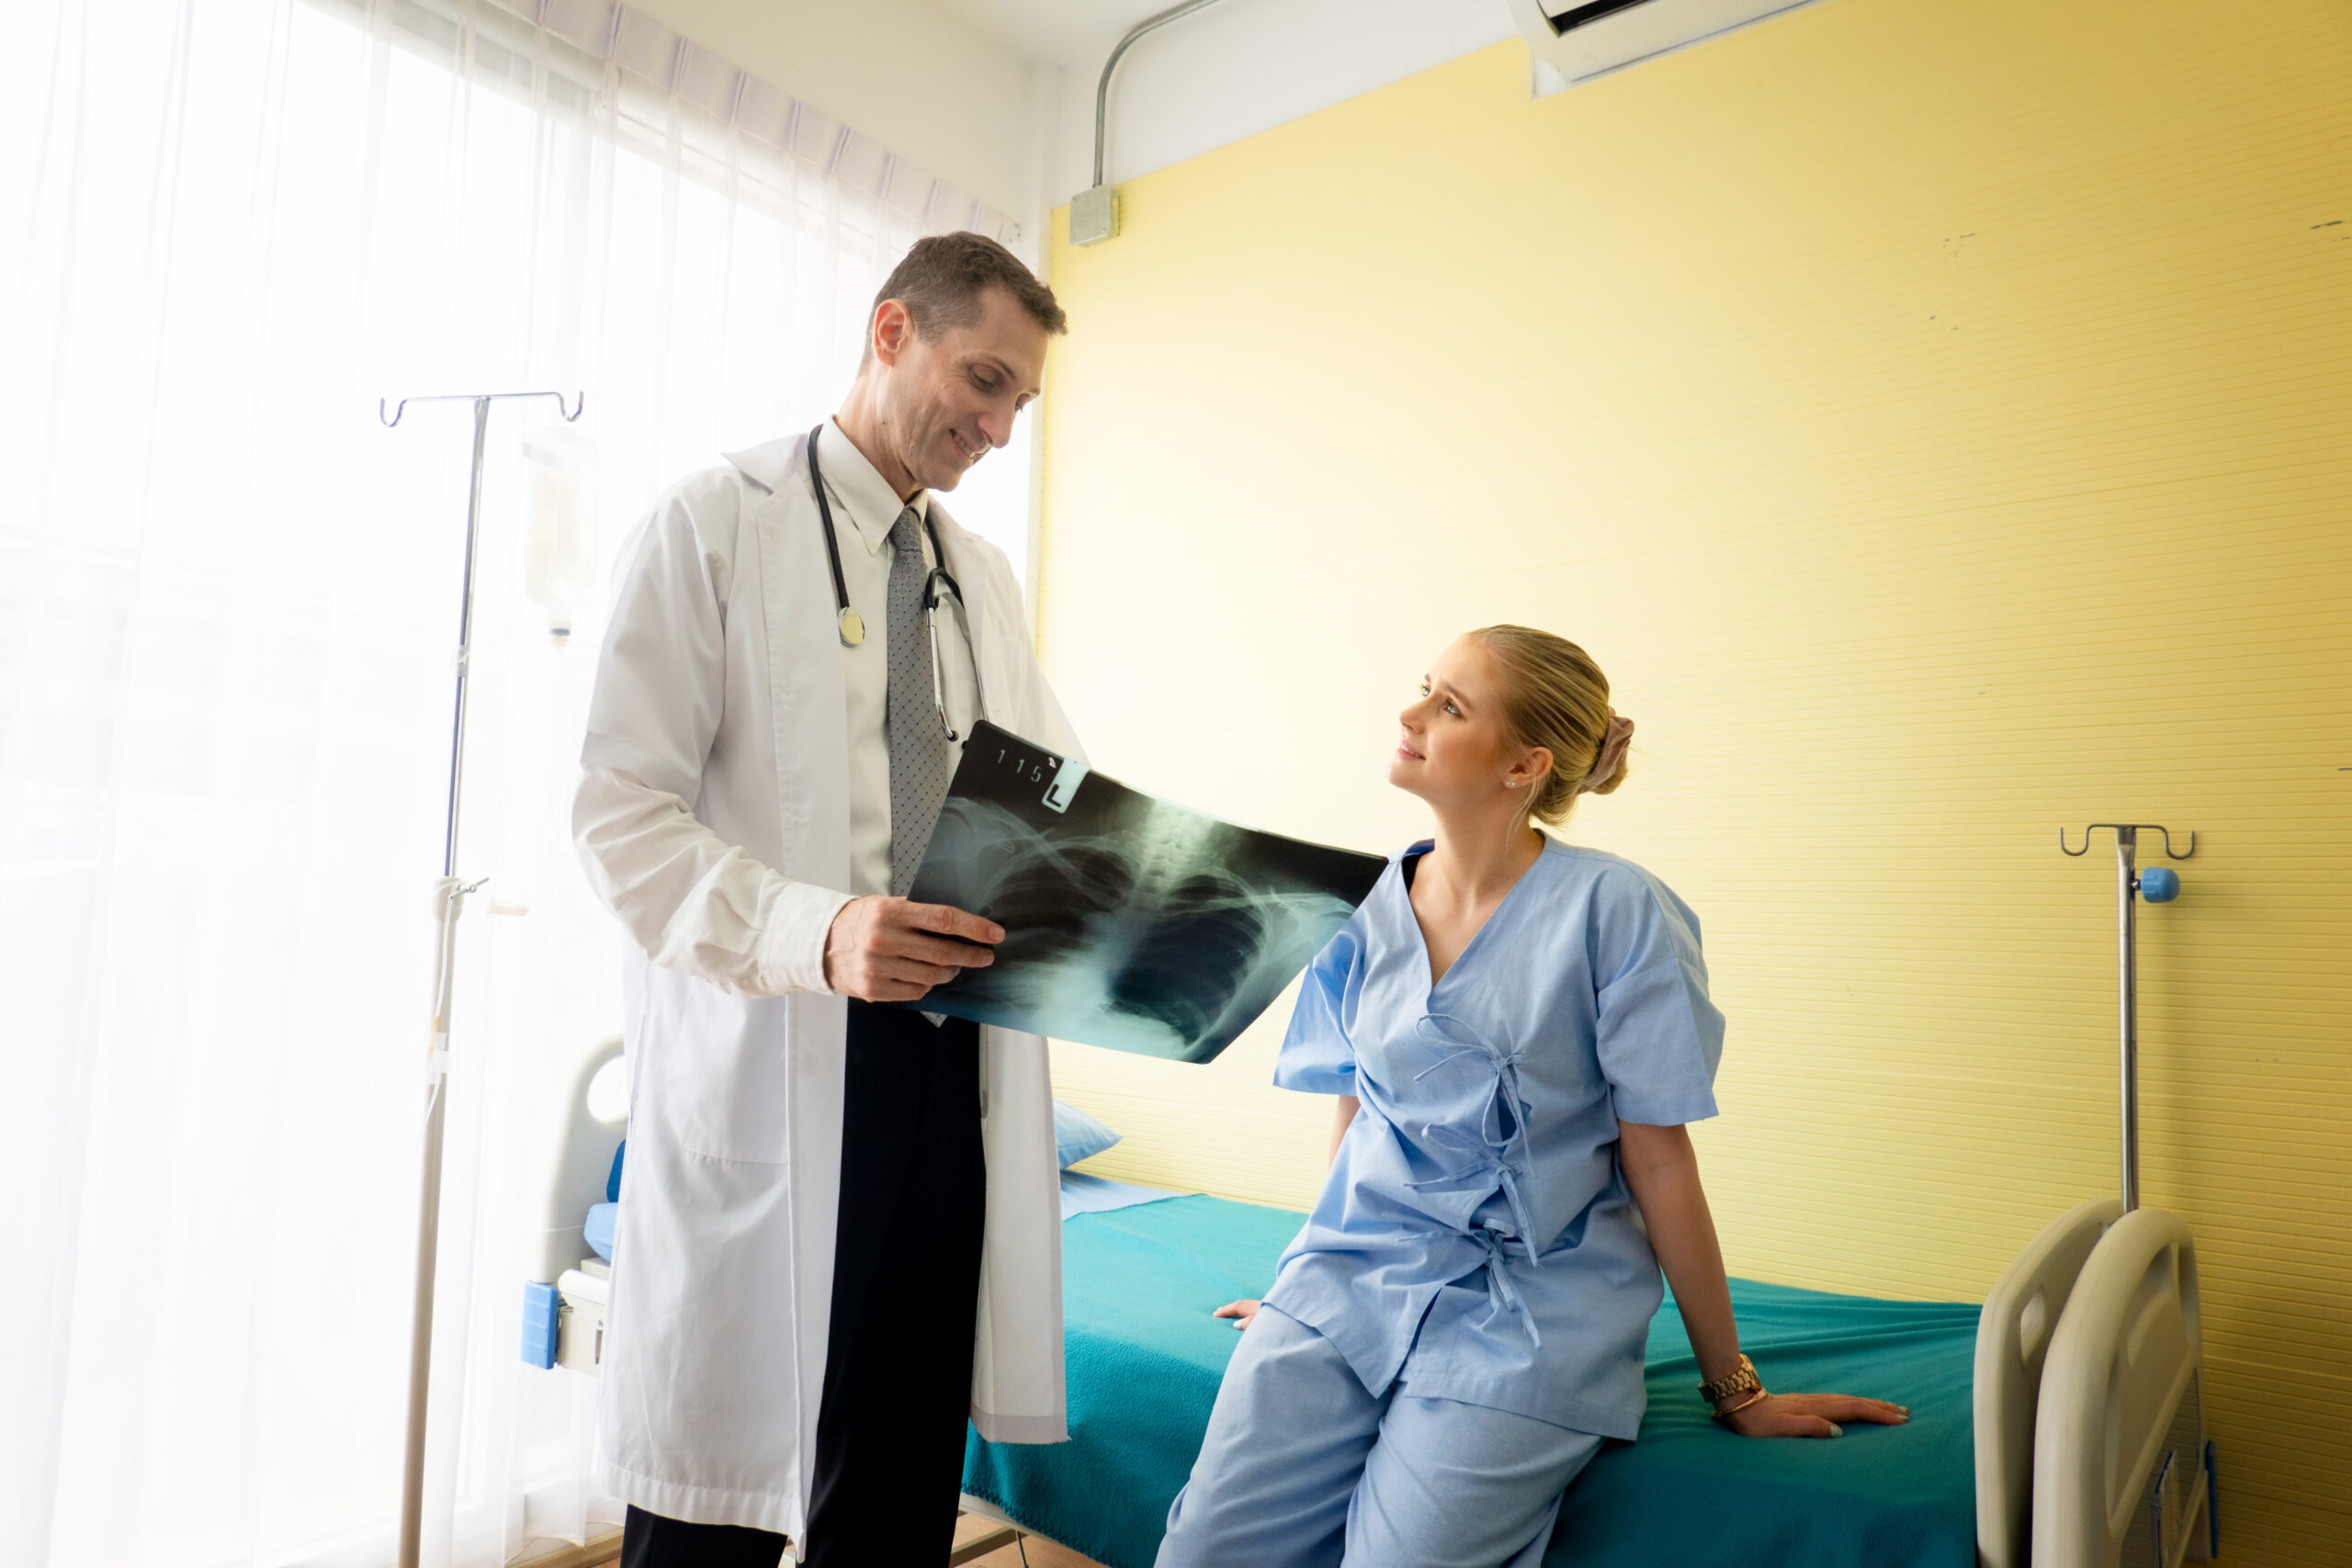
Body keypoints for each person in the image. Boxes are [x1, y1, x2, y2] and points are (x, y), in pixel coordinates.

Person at [1155, 626, 1906, 1568]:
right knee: (1202, 1555)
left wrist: (1736, 1387)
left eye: (1449, 706)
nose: (1409, 714)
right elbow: (1357, 1116)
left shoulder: (1617, 911)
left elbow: (1659, 1158)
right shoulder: (1355, 909)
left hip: (1534, 1309)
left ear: (1525, 765)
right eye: (1423, 688)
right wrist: (1307, 1289)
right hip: (1350, 1282)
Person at [572, 231, 1083, 1567]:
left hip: (950, 1063)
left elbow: (1054, 795)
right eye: (983, 380)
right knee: (714, 1513)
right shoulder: (714, 523)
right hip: (783, 1042)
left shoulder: (982, 578)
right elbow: (619, 816)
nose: (996, 425)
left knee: (896, 1482)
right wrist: (821, 927)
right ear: (890, 330)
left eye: (1019, 404)